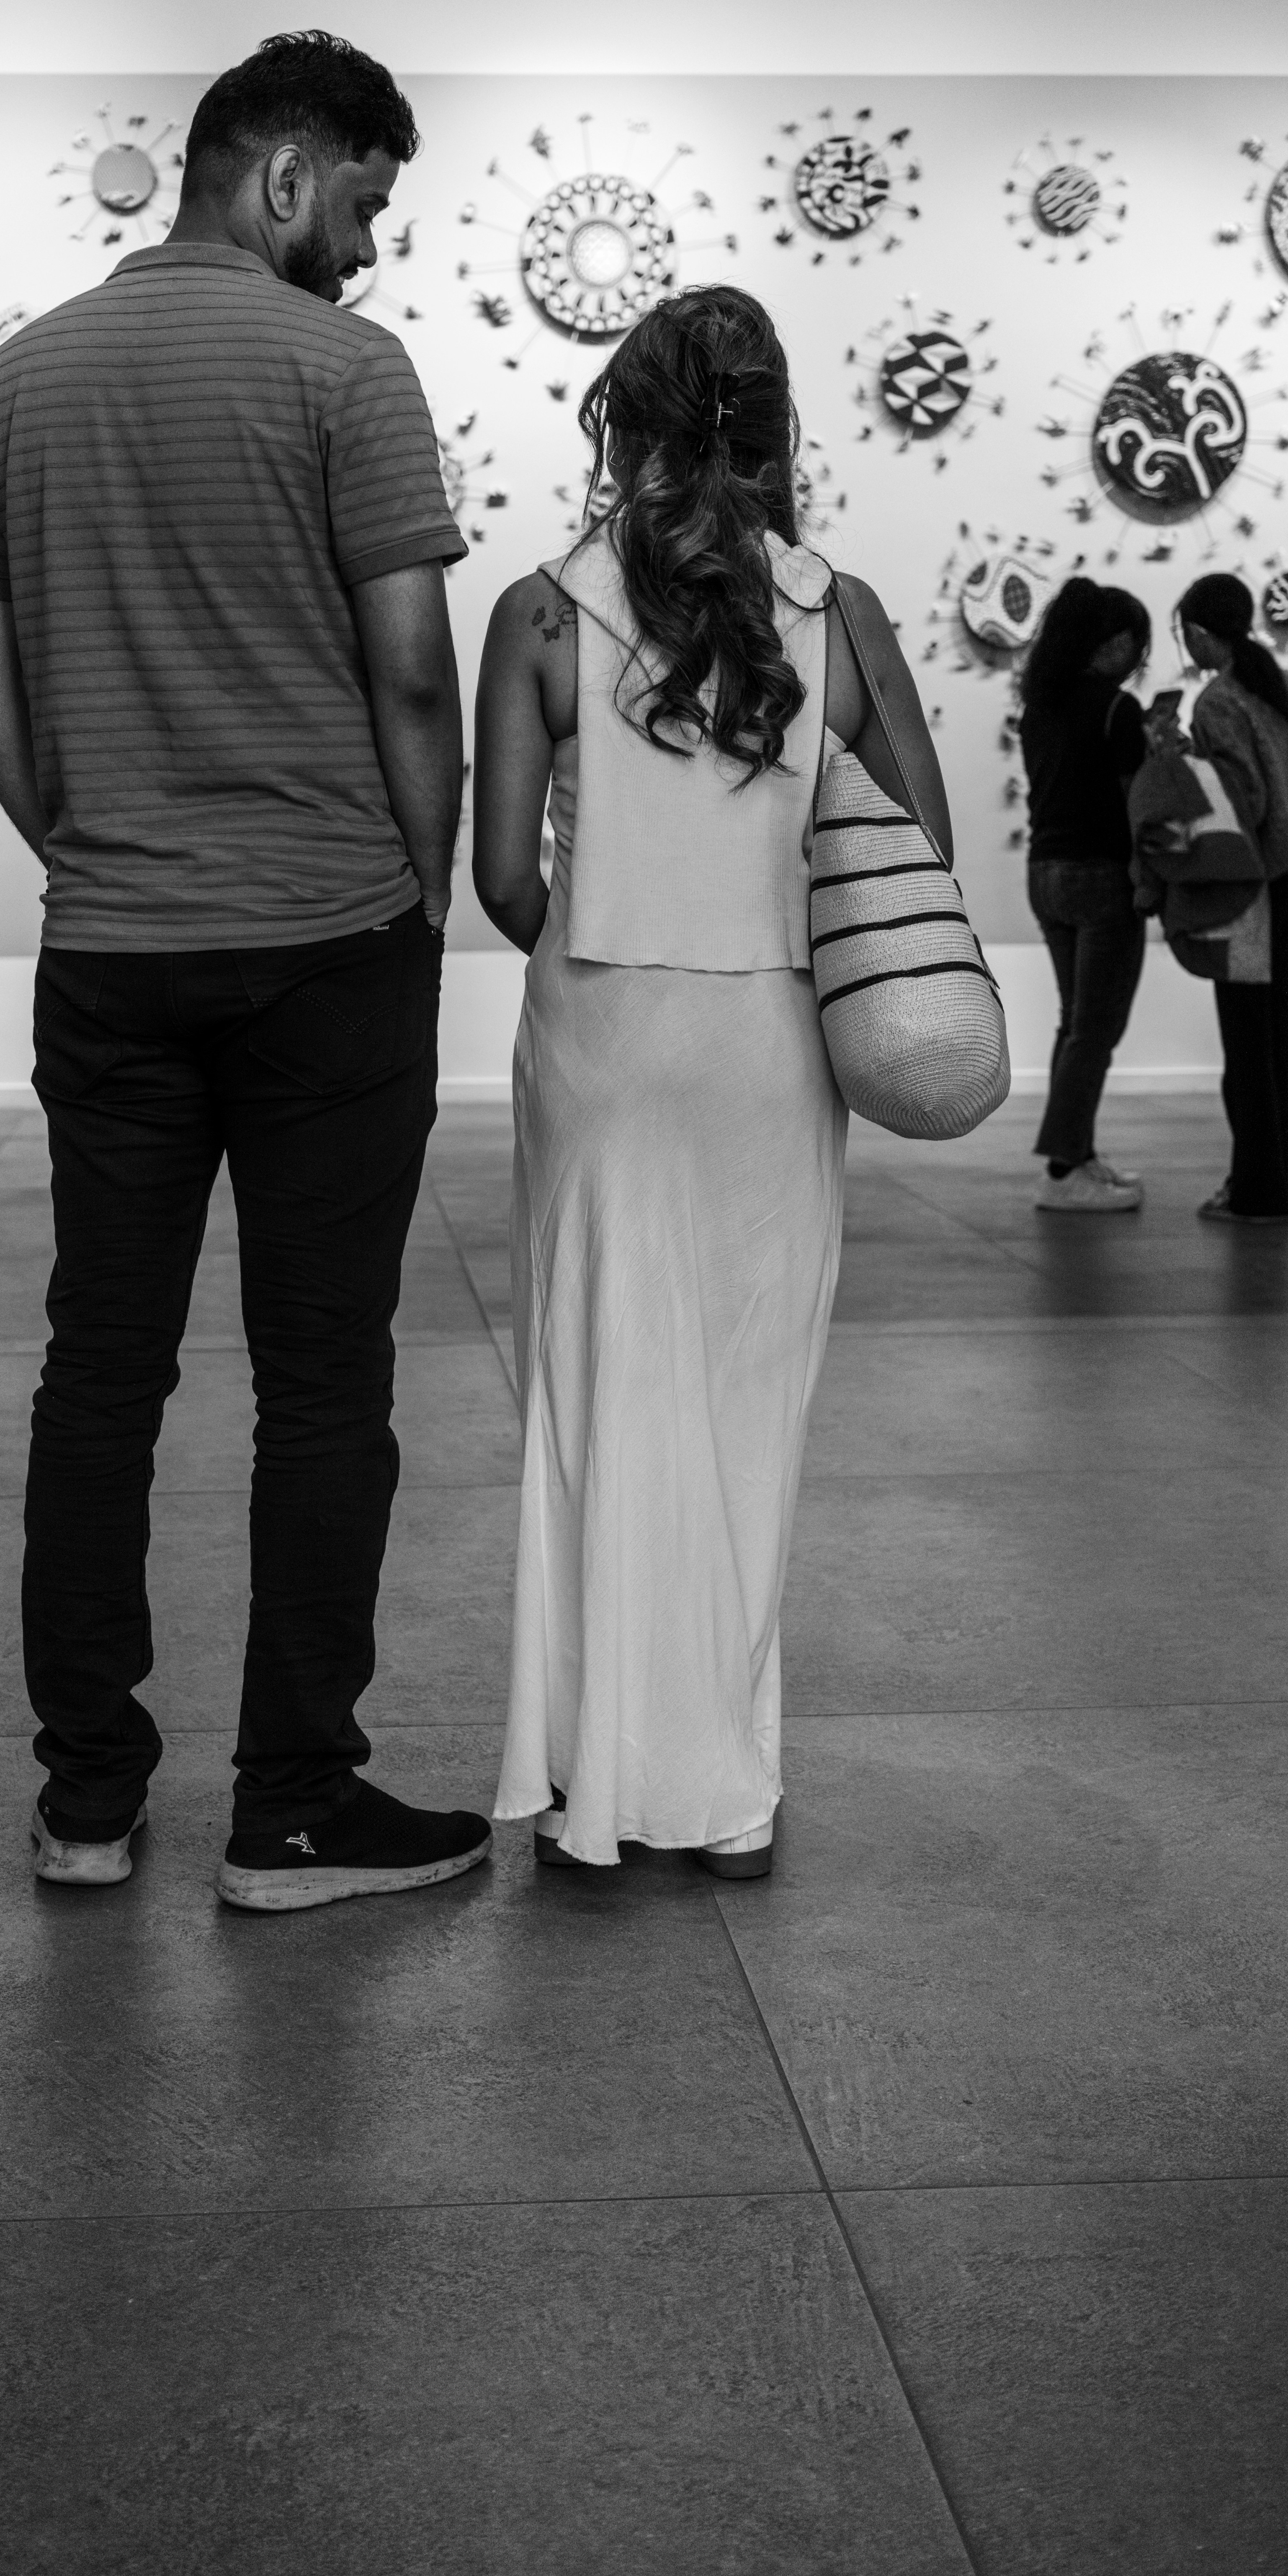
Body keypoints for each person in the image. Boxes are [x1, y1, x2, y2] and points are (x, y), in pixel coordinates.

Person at [0, 31, 494, 1913]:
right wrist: (421, 887)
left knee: (101, 1369)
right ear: (279, 173)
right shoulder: (349, 370)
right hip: (328, 940)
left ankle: (90, 1799)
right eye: (362, 201)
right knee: (324, 1377)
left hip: (111, 950)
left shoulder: (9, 384)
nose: (368, 246)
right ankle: (296, 1808)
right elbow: (413, 662)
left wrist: (86, 845)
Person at [472, 285, 945, 1877]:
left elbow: (499, 882)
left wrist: (602, 917)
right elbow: (919, 853)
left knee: (596, 1398)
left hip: (600, 1039)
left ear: (625, 423)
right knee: (748, 1408)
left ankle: (585, 1784)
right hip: (769, 1045)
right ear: (774, 423)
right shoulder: (843, 612)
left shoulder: (539, 612)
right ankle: (723, 1797)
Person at [1176, 569, 1288, 1224]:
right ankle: (1271, 1184)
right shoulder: (1279, 681)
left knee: (1247, 1039)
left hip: (1257, 881)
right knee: (1282, 1034)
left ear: (1197, 633)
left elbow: (1241, 798)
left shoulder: (1218, 700)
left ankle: (1256, 1190)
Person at [1016, 577, 1153, 1213]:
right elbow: (1140, 806)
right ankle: (1065, 1168)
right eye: (1136, 643)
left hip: (1046, 872)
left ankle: (1078, 1155)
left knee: (1077, 1023)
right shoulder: (1116, 709)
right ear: (1115, 641)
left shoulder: (1041, 705)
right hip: (1103, 876)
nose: (1139, 658)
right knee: (1095, 1028)